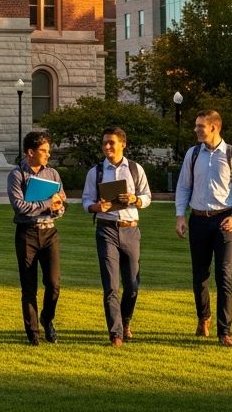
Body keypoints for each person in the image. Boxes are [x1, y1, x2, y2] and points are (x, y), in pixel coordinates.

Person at [175, 110, 232, 347]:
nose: (196, 130)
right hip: (198, 220)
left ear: (215, 127)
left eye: (201, 126)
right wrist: (180, 216)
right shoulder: (193, 153)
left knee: (224, 276)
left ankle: (224, 331)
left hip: (224, 221)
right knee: (200, 275)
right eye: (196, 125)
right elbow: (183, 187)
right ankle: (203, 318)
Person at [81, 126, 151, 347]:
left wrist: (135, 199)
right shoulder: (96, 172)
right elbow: (85, 201)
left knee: (132, 285)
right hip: (106, 229)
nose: (107, 147)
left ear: (123, 144)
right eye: (104, 143)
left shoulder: (134, 169)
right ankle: (116, 334)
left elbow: (147, 196)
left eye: (112, 142)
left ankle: (126, 321)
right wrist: (96, 207)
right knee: (111, 285)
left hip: (130, 228)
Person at [7, 130, 66, 345]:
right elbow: (20, 207)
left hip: (49, 232)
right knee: (28, 286)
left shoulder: (52, 174)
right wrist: (48, 204)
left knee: (53, 283)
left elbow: (61, 203)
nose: (48, 155)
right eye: (44, 151)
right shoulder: (17, 175)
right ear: (30, 152)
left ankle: (47, 319)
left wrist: (57, 208)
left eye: (48, 150)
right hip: (27, 234)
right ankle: (32, 332)